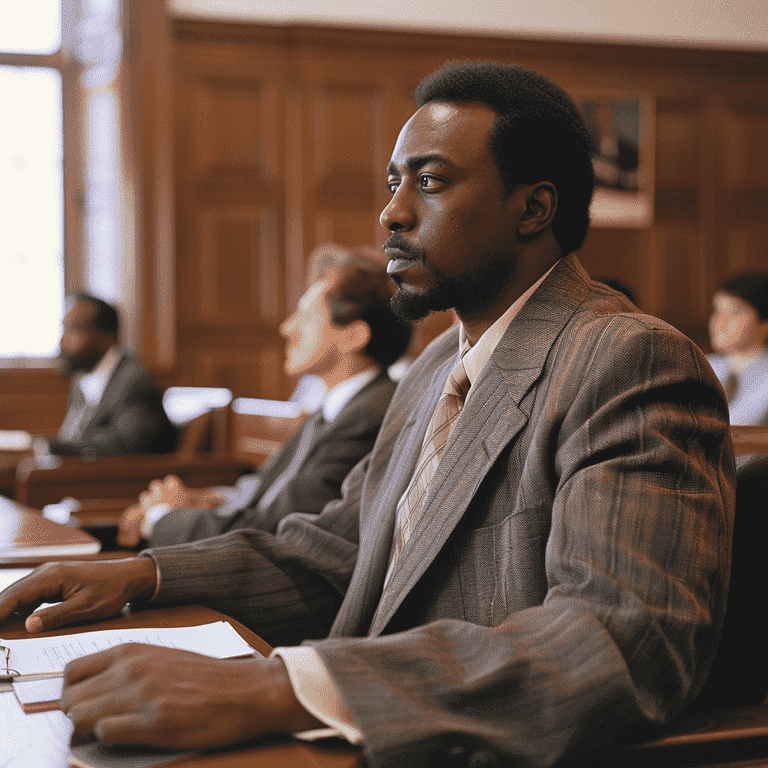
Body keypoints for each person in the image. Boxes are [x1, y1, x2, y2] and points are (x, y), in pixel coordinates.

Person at [0, 62, 734, 767]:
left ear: (533, 209)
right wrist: (142, 575)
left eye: (430, 181)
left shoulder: (627, 358)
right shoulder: (431, 370)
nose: (392, 211)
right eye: (393, 182)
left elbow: (620, 640)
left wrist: (281, 688)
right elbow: (336, 556)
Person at [116, 244, 411, 548]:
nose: (287, 328)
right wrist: (201, 499)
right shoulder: (335, 408)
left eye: (305, 317)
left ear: (353, 336)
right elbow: (267, 490)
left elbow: (271, 530)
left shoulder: (367, 417)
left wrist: (159, 518)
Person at [38, 292, 176, 459]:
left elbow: (125, 449)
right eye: (64, 329)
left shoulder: (135, 382)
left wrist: (48, 447)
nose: (62, 342)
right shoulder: (83, 376)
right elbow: (74, 438)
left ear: (107, 338)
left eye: (74, 330)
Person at [707, 271, 768, 425]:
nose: (719, 321)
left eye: (734, 312)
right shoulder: (700, 366)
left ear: (764, 324)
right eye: (717, 310)